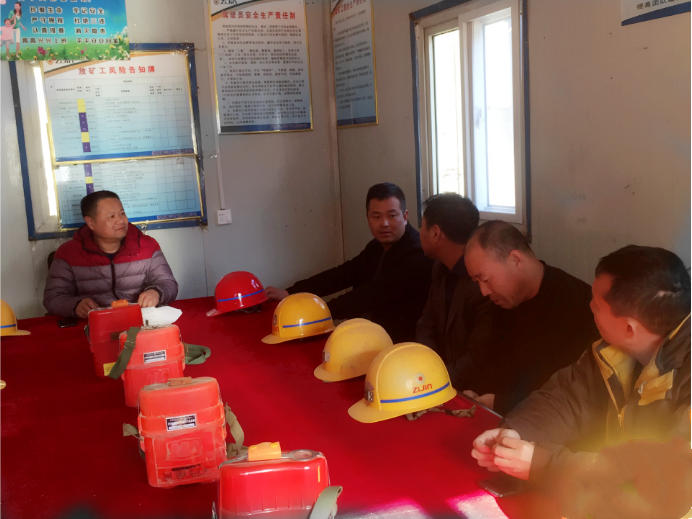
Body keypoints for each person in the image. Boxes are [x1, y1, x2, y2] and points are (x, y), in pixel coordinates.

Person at [471, 246, 690, 493]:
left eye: (597, 305)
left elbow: (664, 480)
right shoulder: (611, 351)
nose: (590, 306)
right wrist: (516, 433)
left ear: (629, 328)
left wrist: (541, 465)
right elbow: (566, 397)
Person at [265, 183, 433, 343]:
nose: (384, 223)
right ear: (368, 218)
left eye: (392, 215)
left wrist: (314, 315)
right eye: (376, 216)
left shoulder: (417, 253)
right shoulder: (377, 246)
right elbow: (344, 274)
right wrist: (290, 293)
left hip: (401, 345)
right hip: (368, 334)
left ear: (405, 216)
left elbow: (370, 295)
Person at [463, 220, 599, 415]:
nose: (483, 291)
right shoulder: (502, 301)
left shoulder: (578, 307)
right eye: (476, 282)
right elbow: (493, 363)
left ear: (516, 260)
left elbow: (571, 395)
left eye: (485, 279)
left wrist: (501, 402)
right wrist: (477, 393)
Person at [44, 191, 178, 318]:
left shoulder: (147, 246)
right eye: (112, 216)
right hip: (92, 324)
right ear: (91, 223)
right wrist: (76, 305)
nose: (121, 220)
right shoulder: (68, 253)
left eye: (122, 213)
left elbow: (168, 283)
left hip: (138, 320)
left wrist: (156, 292)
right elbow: (52, 298)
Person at [416, 193, 495, 391]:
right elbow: (426, 325)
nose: (419, 232)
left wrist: (434, 382)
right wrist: (424, 371)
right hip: (438, 378)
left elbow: (477, 358)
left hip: (473, 389)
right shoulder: (439, 268)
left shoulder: (483, 282)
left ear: (435, 233)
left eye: (422, 226)